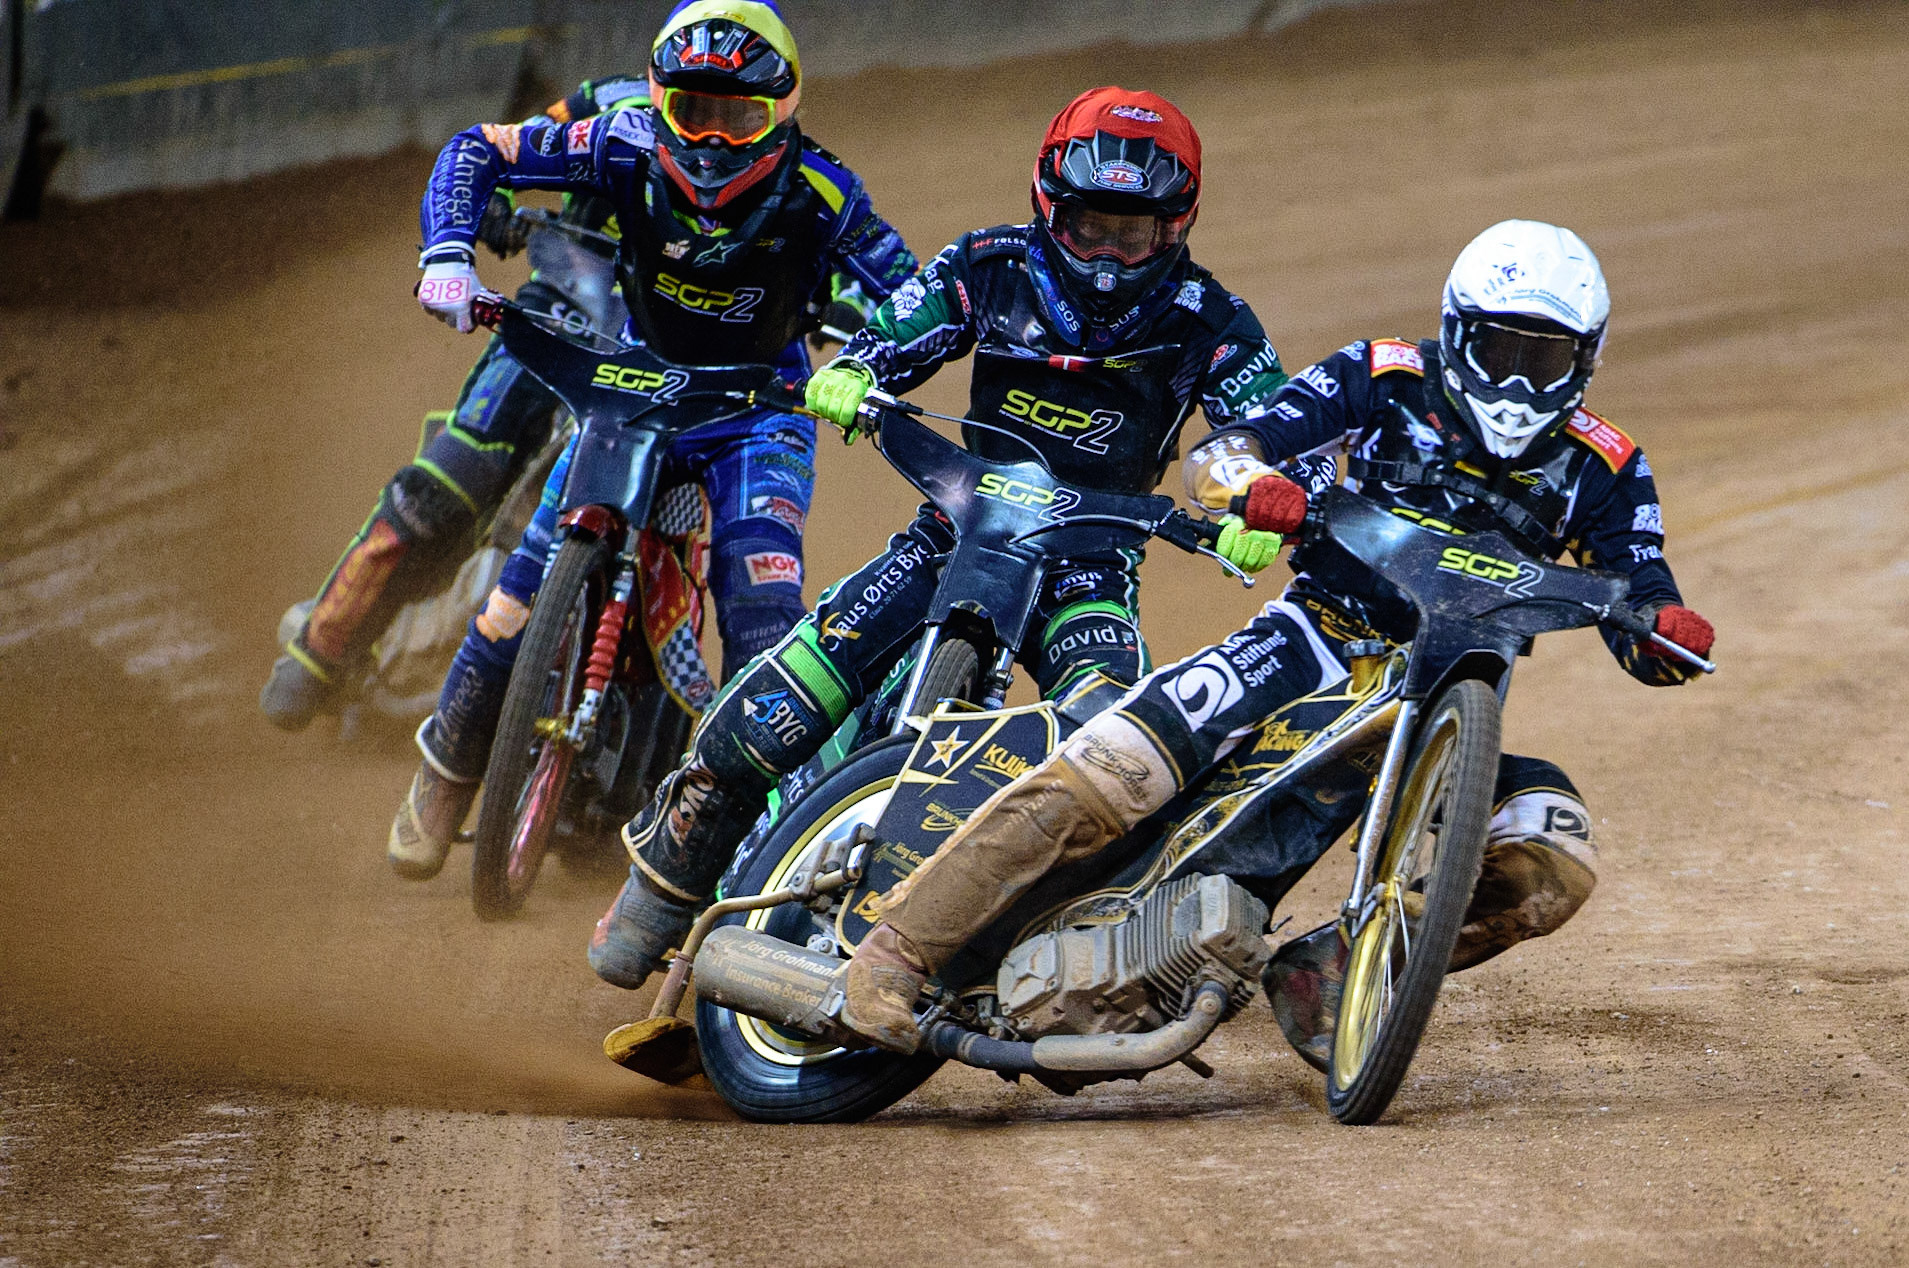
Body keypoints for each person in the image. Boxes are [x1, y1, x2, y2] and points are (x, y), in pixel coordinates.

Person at [834, 219, 1718, 1056]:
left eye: (1546, 358)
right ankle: (893, 954)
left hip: (1445, 695)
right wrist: (1252, 483)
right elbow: (1230, 448)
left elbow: (1641, 587)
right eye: (1501, 351)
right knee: (1116, 768)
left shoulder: (1606, 465)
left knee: (1552, 850)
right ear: (1456, 333)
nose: (1520, 383)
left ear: (1586, 360)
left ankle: (1331, 975)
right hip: (1308, 637)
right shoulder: (1384, 372)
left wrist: (1664, 632)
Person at [588, 85, 1295, 990]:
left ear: (1176, 224)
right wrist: (855, 372)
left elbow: (1262, 436)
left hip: (1088, 569)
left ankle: (1042, 957)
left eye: (1133, 232)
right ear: (1049, 203)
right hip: (949, 531)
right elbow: (892, 332)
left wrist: (1253, 501)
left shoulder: (1213, 321)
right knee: (767, 710)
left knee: (1109, 751)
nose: (1110, 256)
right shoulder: (984, 265)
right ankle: (653, 903)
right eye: (1088, 227)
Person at [379, 0, 918, 879]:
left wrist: (866, 359)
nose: (709, 139)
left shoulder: (822, 190)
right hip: (633, 382)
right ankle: (446, 768)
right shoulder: (619, 139)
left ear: (781, 113)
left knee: (763, 618)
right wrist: (445, 253)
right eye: (691, 111)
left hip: (758, 407)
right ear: (659, 101)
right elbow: (478, 147)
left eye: (736, 115)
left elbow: (910, 290)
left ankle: (779, 846)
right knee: (516, 596)